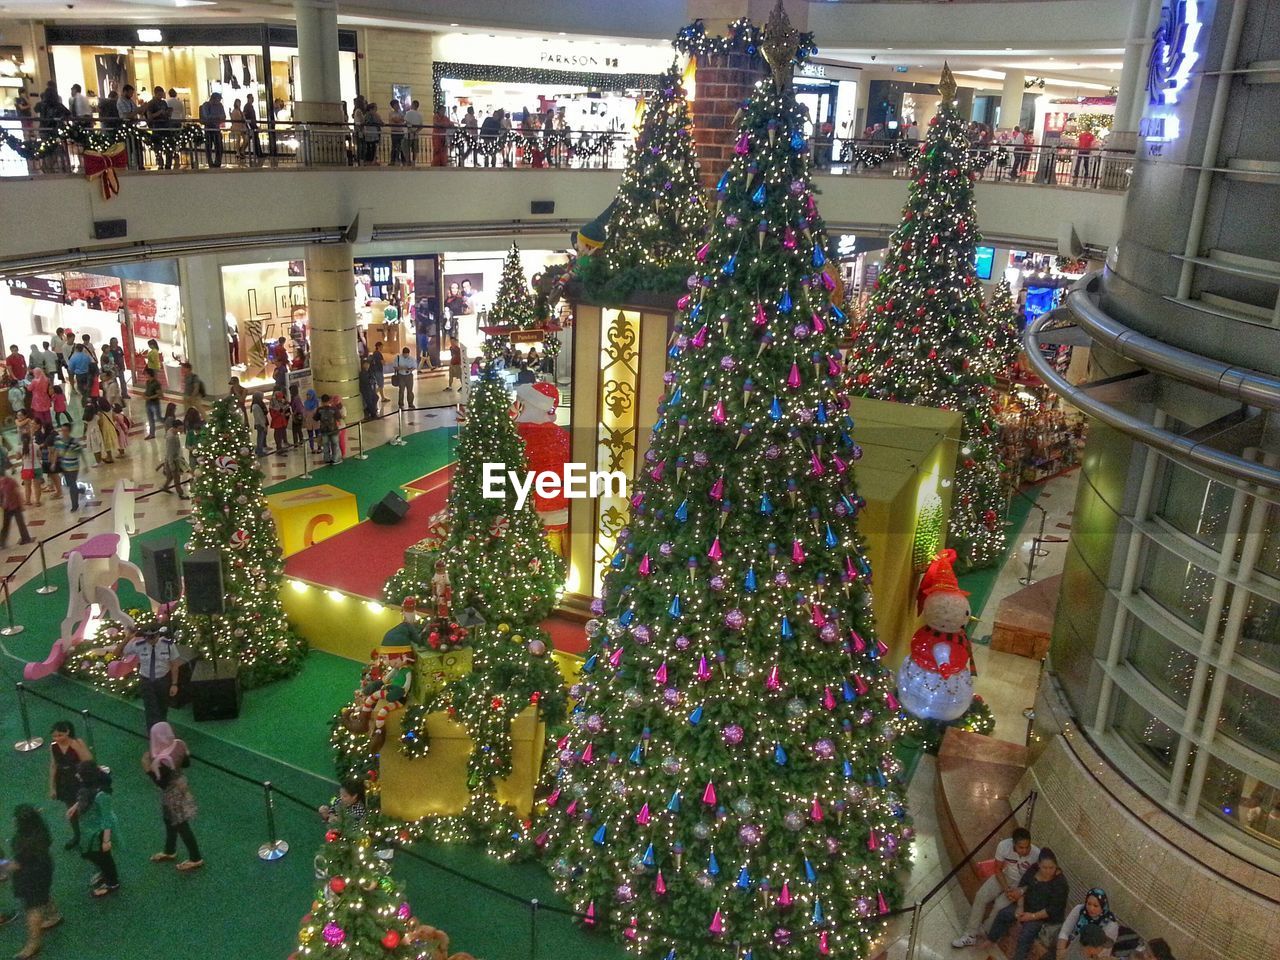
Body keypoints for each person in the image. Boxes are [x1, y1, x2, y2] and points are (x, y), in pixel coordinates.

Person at [953, 827, 1041, 947]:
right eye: (1021, 847)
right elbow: (997, 869)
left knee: (999, 905)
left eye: (1027, 847)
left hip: (1021, 884)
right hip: (1005, 875)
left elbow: (1035, 880)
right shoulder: (1004, 846)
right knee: (981, 895)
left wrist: (1020, 891)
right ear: (1014, 844)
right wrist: (1006, 889)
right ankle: (970, 934)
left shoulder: (1036, 854)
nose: (1025, 851)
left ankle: (985, 929)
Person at [978, 848, 1069, 960]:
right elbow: (1022, 888)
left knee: (1026, 935)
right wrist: (1020, 907)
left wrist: (1032, 916)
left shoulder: (1060, 884)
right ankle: (991, 939)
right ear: (1039, 865)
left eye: (1051, 868)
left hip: (1041, 916)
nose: (1048, 871)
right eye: (1045, 867)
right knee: (1003, 914)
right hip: (1025, 906)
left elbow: (1053, 909)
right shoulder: (1033, 869)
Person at [142, 722, 203, 872]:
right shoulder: (179, 744)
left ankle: (195, 858)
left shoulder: (161, 759)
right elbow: (187, 763)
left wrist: (147, 768)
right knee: (169, 820)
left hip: (172, 793)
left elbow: (162, 783)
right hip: (180, 784)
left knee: (181, 825)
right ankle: (170, 850)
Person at [6, 805, 62, 957]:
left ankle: (33, 944)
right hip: (44, 869)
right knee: (43, 893)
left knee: (33, 909)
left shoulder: (22, 843)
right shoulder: (41, 831)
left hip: (30, 876)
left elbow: (16, 865)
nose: (13, 820)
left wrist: (3, 864)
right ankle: (54, 915)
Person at [117, 624, 182, 730]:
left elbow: (175, 665)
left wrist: (174, 684)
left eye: (153, 637)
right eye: (148, 637)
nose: (151, 640)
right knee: (151, 709)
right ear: (144, 636)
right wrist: (127, 638)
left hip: (163, 680)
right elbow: (117, 652)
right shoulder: (139, 644)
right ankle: (153, 735)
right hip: (146, 681)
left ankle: (162, 731)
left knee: (162, 708)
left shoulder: (168, 644)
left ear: (158, 635)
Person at [70, 761, 118, 897]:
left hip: (99, 829)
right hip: (91, 828)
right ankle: (105, 873)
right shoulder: (90, 787)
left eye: (79, 773)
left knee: (102, 856)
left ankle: (112, 882)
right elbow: (84, 801)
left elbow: (106, 818)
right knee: (93, 854)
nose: (76, 775)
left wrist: (106, 840)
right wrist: (75, 806)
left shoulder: (101, 795)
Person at [48, 721, 92, 850]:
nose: (57, 739)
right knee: (71, 809)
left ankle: (97, 832)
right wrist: (52, 786)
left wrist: (77, 748)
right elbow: (53, 766)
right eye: (54, 736)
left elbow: (89, 761)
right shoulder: (53, 746)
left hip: (79, 778)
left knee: (87, 807)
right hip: (64, 780)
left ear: (67, 732)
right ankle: (77, 835)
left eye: (60, 735)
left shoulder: (77, 743)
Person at [1057, 888, 1120, 959]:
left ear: (1103, 906)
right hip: (1072, 946)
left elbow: (1103, 951)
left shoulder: (1111, 925)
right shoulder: (1080, 910)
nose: (1091, 908)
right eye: (1089, 904)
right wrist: (1060, 951)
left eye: (1096, 906)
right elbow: (1065, 931)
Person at [0, 467, 34, 548]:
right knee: (6, 525)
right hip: (7, 507)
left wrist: (21, 504)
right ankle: (1, 541)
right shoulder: (4, 483)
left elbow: (18, 493)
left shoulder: (10, 482)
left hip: (15, 506)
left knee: (20, 523)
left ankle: (26, 538)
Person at [51, 424, 82, 512]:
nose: (63, 432)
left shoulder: (74, 441)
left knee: (72, 485)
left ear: (69, 431)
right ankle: (79, 490)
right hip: (64, 466)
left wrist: (86, 465)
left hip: (74, 467)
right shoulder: (58, 440)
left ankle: (75, 505)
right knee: (69, 484)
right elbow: (56, 451)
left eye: (65, 430)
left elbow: (81, 453)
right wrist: (53, 463)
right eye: (62, 430)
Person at [144, 85, 173, 169]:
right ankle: (160, 163)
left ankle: (168, 163)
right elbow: (149, 116)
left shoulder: (164, 102)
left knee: (168, 146)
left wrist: (168, 113)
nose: (161, 96)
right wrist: (159, 112)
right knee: (158, 146)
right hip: (157, 127)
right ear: (155, 93)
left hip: (165, 127)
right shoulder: (151, 103)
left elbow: (167, 112)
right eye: (159, 94)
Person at [160, 419, 189, 498]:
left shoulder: (172, 431)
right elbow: (170, 453)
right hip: (172, 460)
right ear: (175, 428)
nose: (181, 430)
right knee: (177, 478)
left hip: (172, 458)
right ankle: (181, 493)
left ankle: (165, 487)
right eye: (180, 428)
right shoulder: (171, 438)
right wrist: (172, 465)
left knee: (170, 476)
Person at [199, 91, 226, 167]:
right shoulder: (206, 105)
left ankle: (218, 162)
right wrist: (217, 117)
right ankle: (210, 162)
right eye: (218, 99)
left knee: (219, 146)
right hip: (208, 128)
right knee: (208, 146)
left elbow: (223, 116)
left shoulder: (220, 105)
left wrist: (215, 118)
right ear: (213, 99)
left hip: (217, 128)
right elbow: (206, 116)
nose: (219, 101)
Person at [316, 394, 340, 464]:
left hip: (324, 430)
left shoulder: (319, 409)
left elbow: (316, 418)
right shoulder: (334, 409)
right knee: (335, 444)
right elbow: (338, 417)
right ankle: (335, 459)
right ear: (329, 400)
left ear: (321, 401)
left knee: (325, 445)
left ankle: (327, 459)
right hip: (334, 430)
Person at [142, 367, 162, 439]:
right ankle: (152, 434)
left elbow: (159, 394)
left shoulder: (156, 383)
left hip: (154, 403)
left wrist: (150, 397)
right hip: (148, 403)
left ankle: (168, 424)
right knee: (150, 419)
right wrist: (144, 394)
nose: (145, 375)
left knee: (159, 418)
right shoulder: (148, 382)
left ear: (149, 374)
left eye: (146, 374)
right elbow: (147, 391)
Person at [403, 98, 424, 165]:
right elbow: (421, 125)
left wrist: (410, 130)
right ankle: (414, 161)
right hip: (416, 134)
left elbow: (406, 122)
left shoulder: (408, 113)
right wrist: (416, 131)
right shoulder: (419, 115)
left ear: (412, 105)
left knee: (406, 147)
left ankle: (407, 160)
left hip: (408, 134)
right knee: (415, 149)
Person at [243, 93, 262, 160]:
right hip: (251, 126)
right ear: (248, 98)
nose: (252, 99)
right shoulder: (247, 106)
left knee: (252, 139)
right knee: (252, 139)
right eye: (251, 98)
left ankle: (258, 153)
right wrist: (248, 124)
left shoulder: (250, 106)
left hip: (253, 125)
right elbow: (244, 116)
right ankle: (258, 153)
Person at [388, 98, 406, 165]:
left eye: (398, 104)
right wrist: (399, 120)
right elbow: (396, 120)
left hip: (401, 131)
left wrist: (399, 120)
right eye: (396, 104)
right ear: (393, 106)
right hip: (394, 131)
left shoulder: (400, 113)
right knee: (394, 147)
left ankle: (403, 160)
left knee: (402, 147)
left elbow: (403, 119)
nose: (398, 106)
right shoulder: (391, 113)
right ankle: (393, 160)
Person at [288, 383, 305, 448]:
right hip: (297, 414)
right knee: (297, 429)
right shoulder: (294, 397)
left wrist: (294, 414)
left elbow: (298, 407)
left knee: (296, 429)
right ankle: (298, 442)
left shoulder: (296, 398)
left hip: (298, 415)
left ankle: (298, 442)